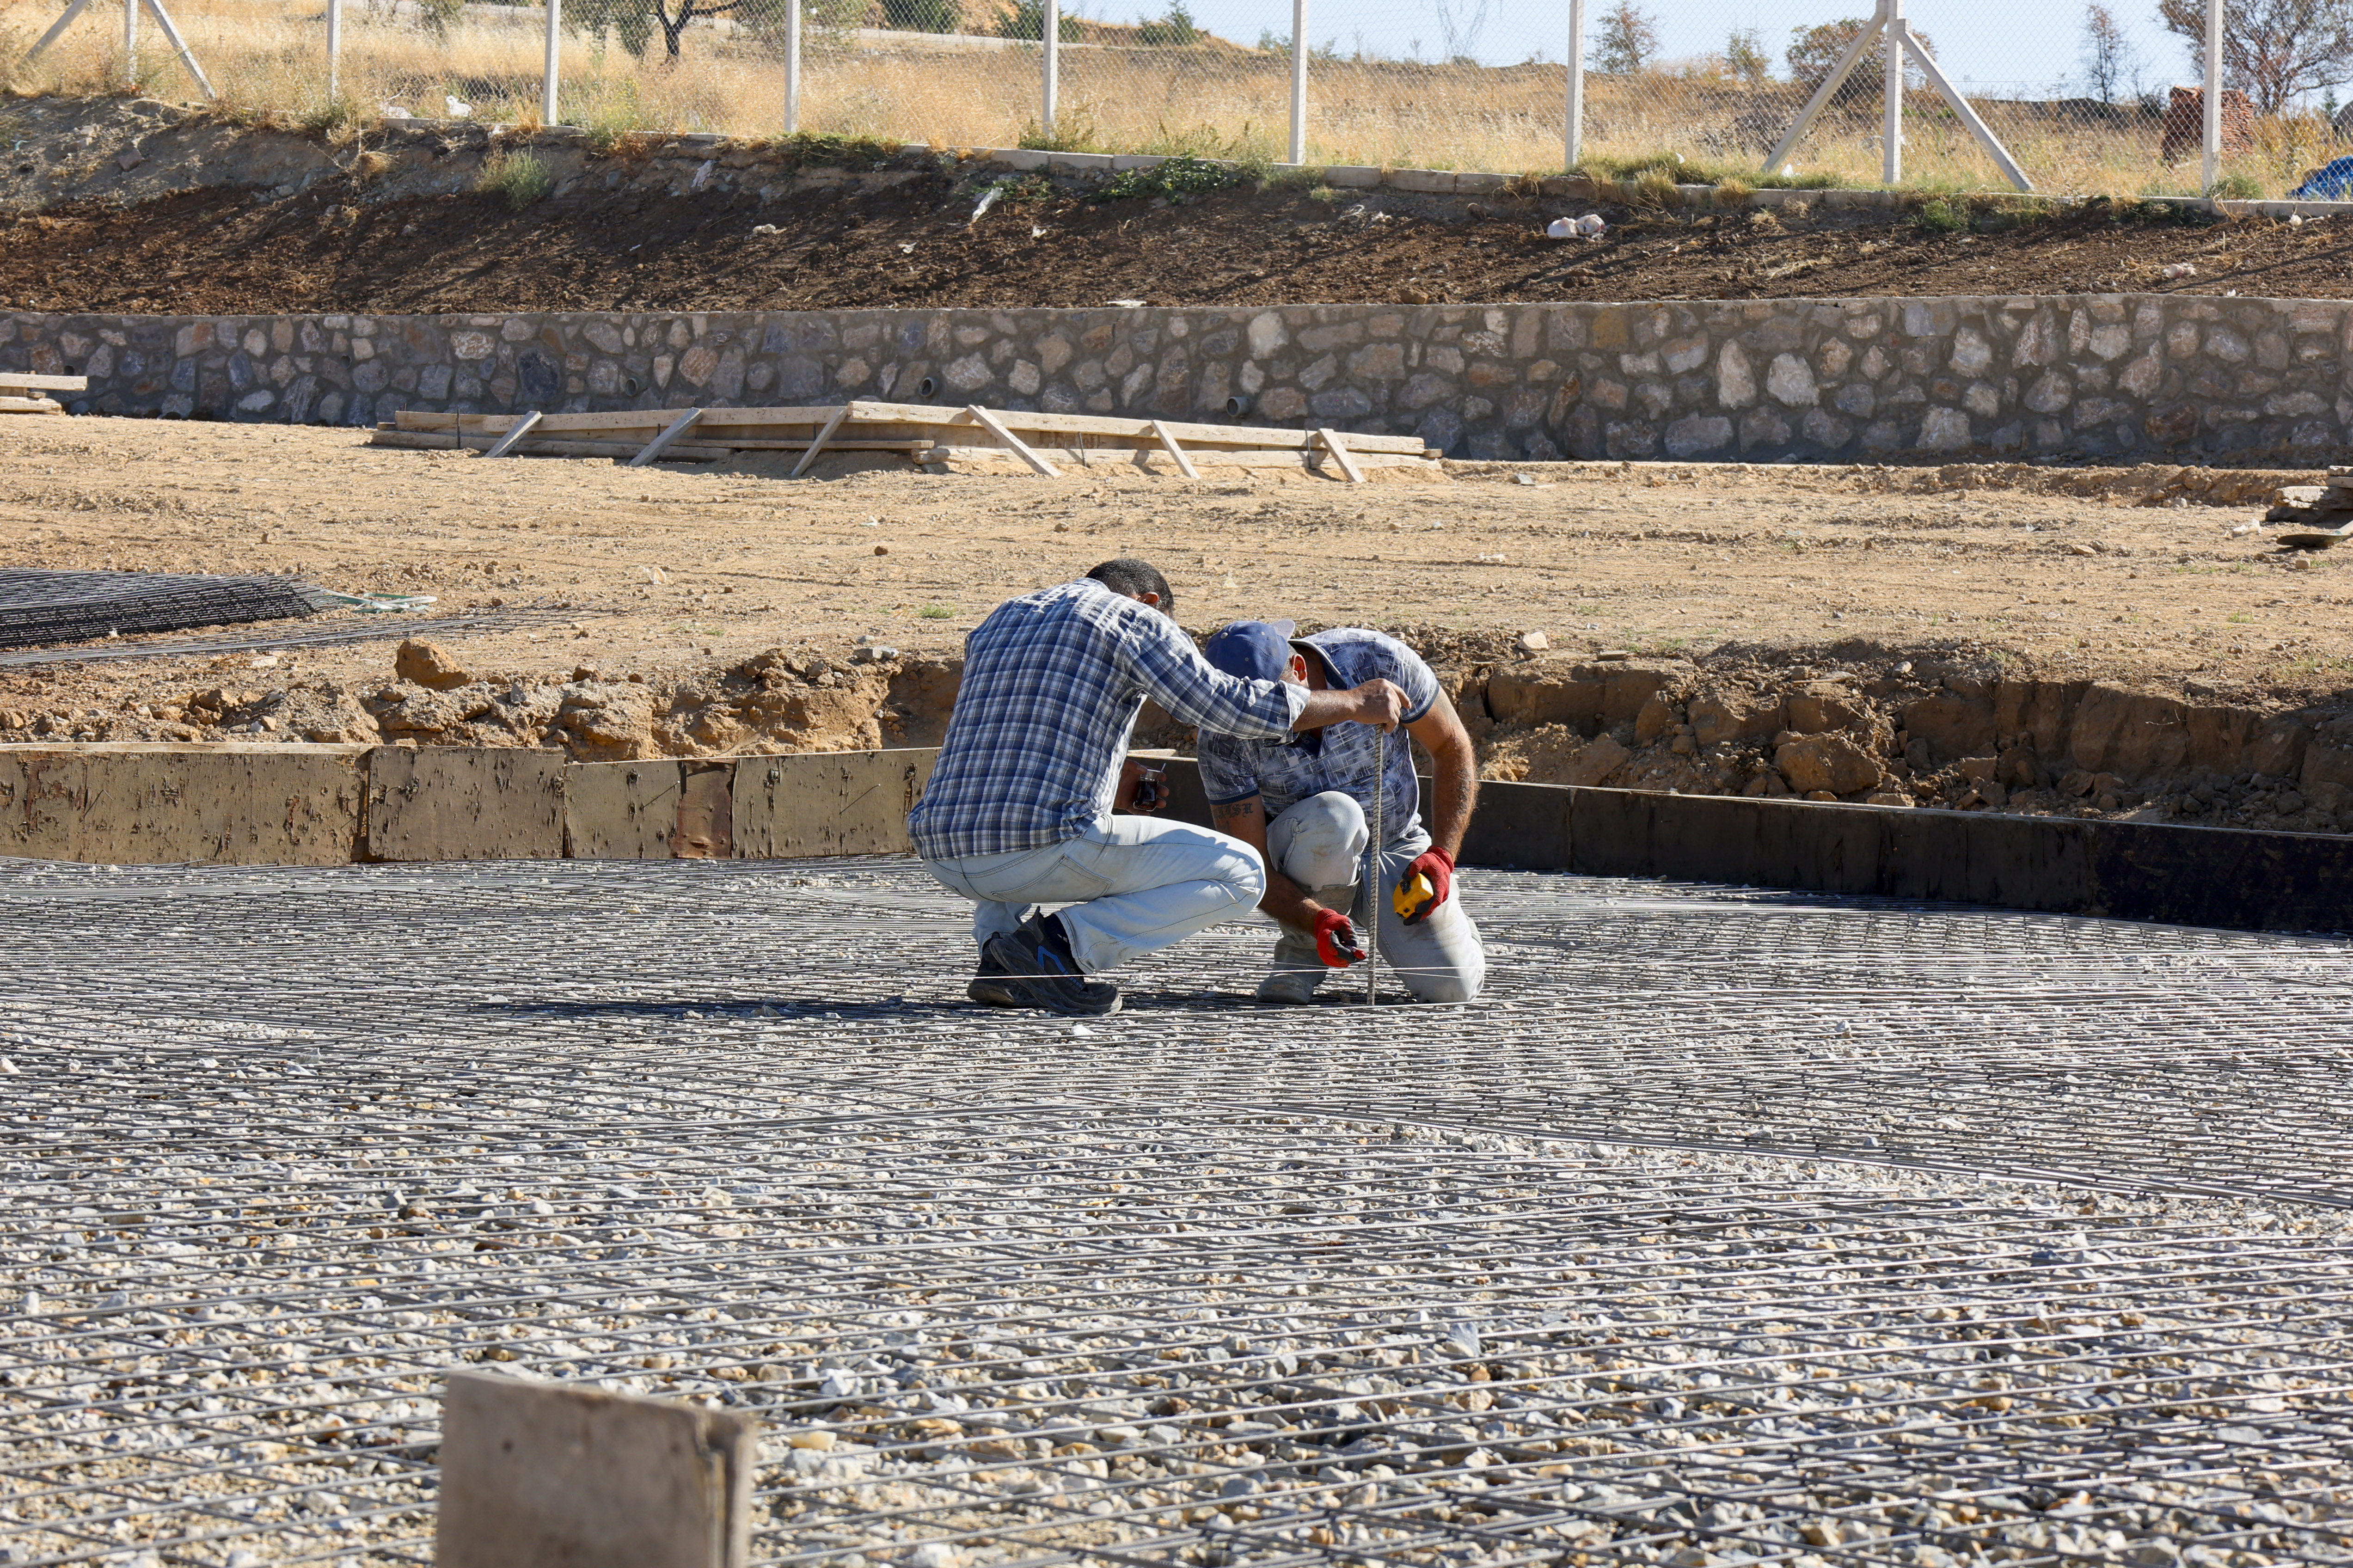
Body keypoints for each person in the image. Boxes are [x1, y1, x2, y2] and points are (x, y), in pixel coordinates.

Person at [907, 561, 1407, 1017]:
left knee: (1000, 811)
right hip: (1039, 850)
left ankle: (1000, 958)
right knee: (1242, 872)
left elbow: (1009, 734)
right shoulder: (1131, 619)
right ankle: (1057, 950)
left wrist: (1110, 775)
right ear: (1149, 602)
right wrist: (1351, 703)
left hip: (944, 852)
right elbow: (1224, 706)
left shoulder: (1006, 616)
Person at [1195, 620, 1485, 1005]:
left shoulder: (1375, 659)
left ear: (1299, 670)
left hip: (1394, 845)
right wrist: (1315, 919)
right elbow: (1253, 865)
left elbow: (1451, 745)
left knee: (1450, 987)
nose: (1268, 725)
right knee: (1336, 815)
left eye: (1278, 709)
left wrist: (1443, 855)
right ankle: (1302, 952)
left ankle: (1454, 929)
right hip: (1303, 862)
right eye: (1254, 716)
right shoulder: (1223, 735)